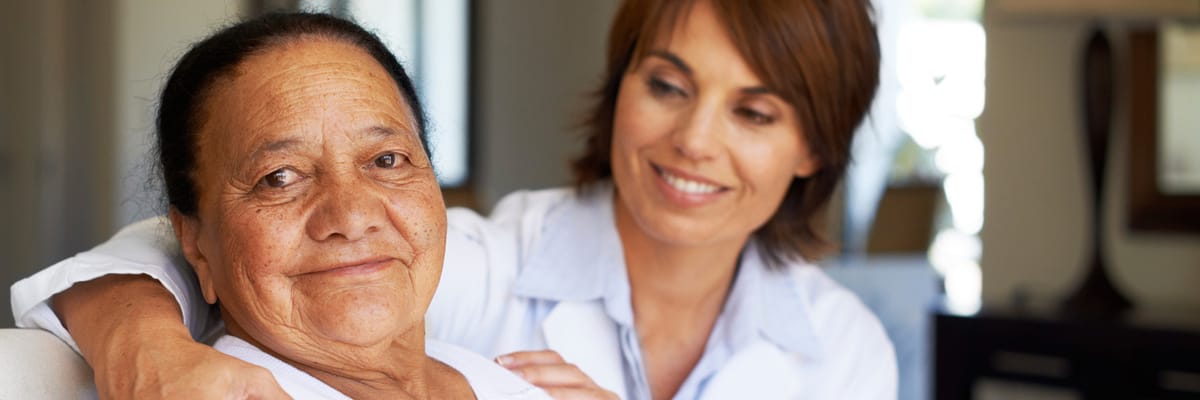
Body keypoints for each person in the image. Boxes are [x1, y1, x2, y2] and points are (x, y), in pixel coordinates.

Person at [12, 0, 896, 399]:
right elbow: (212, 249)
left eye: (754, 111)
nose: (695, 140)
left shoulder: (844, 347)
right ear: (620, 88)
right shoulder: (465, 258)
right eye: (667, 85)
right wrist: (146, 344)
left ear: (814, 145)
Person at [15, 11, 555, 400]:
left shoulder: (513, 383)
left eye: (387, 160)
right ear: (195, 246)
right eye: (279, 178)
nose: (351, 215)